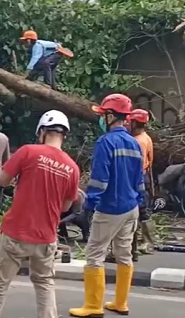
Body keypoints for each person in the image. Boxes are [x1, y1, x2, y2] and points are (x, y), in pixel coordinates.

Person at [0, 110, 80, 318]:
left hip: (16, 232)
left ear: (42, 131)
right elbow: (66, 206)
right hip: (46, 237)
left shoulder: (28, 152)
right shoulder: (72, 168)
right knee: (44, 283)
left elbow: (1, 180)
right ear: (64, 135)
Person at [70, 93, 144, 318]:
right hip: (131, 207)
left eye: (104, 115)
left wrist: (90, 203)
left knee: (94, 254)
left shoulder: (105, 142)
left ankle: (93, 306)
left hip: (110, 207)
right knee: (124, 254)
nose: (102, 119)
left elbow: (99, 180)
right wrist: (140, 202)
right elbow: (140, 180)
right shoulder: (134, 143)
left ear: (111, 116)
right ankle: (120, 303)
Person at [129, 108, 156, 254]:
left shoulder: (138, 141)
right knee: (142, 211)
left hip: (138, 178)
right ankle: (145, 241)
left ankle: (147, 242)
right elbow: (151, 162)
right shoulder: (147, 137)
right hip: (144, 177)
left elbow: (137, 164)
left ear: (134, 123)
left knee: (141, 211)